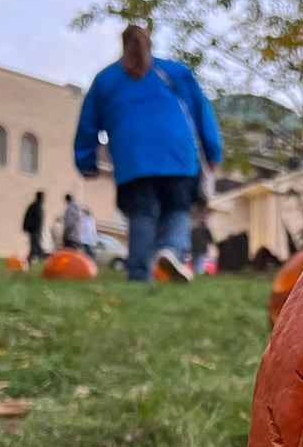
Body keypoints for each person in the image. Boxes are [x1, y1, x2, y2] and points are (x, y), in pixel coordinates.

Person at [73, 24, 222, 282]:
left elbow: (88, 122)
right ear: (149, 44)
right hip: (177, 153)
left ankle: (140, 274)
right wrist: (212, 151)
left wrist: (85, 159)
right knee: (178, 209)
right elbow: (202, 112)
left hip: (133, 156)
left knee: (142, 213)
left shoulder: (106, 79)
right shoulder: (175, 72)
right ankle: (171, 251)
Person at [22, 191, 46, 262]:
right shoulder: (35, 206)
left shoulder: (37, 206)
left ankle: (30, 258)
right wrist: (28, 227)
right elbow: (29, 218)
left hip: (37, 230)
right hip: (34, 230)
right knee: (36, 244)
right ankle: (42, 257)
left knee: (34, 245)